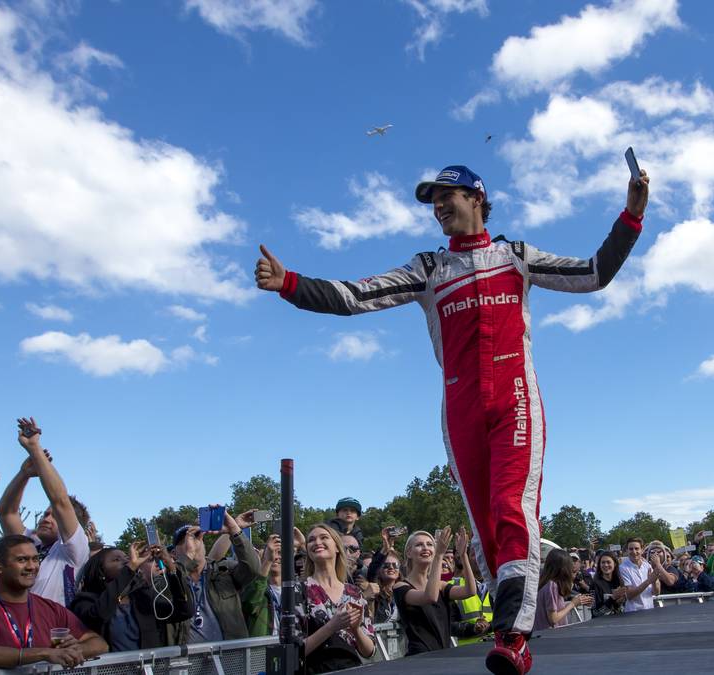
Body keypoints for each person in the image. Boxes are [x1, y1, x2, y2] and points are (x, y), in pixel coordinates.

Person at [256, 164, 649, 675]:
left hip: (514, 399)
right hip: (460, 408)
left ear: (478, 198)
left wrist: (632, 217)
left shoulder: (517, 257)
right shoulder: (428, 268)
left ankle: (513, 634)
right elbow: (355, 296)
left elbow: (595, 272)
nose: (439, 206)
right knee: (485, 525)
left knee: (513, 506)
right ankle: (510, 630)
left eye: (448, 196)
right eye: (433, 200)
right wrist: (289, 282)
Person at [0, 534, 107, 668]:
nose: (32, 566)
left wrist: (76, 649)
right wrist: (44, 653)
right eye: (22, 560)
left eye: (35, 559)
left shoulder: (51, 608)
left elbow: (99, 643)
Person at [0, 418, 90, 606]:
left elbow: (60, 501)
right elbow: (6, 512)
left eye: (54, 515)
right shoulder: (30, 542)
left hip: (50, 631)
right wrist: (24, 474)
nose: (46, 517)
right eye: (46, 513)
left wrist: (34, 448)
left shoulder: (74, 550)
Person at [69, 542, 192, 650]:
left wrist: (170, 567)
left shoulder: (142, 597)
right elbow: (98, 615)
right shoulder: (85, 601)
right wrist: (129, 568)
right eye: (116, 559)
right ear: (100, 571)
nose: (127, 561)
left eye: (127, 558)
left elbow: (184, 611)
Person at [169, 506, 261, 644]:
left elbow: (253, 569)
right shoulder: (173, 580)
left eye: (196, 537)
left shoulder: (224, 571)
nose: (191, 543)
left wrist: (234, 529)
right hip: (190, 662)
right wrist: (188, 556)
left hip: (229, 659)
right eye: (184, 541)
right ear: (174, 554)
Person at [299, 525, 375, 674]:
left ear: (337, 547)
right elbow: (292, 651)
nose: (317, 542)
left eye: (324, 537)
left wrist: (356, 629)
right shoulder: (297, 591)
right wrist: (332, 626)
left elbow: (369, 651)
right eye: (311, 540)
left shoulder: (354, 593)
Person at [392, 528, 476, 657]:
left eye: (430, 544)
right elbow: (430, 597)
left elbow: (470, 591)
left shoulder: (441, 586)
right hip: (420, 657)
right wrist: (438, 555)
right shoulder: (401, 586)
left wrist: (463, 555)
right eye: (419, 545)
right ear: (409, 552)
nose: (425, 548)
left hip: (443, 654)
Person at [533, 549, 592, 631]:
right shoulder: (552, 585)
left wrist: (577, 601)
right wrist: (573, 603)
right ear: (563, 567)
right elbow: (553, 619)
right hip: (551, 635)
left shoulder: (544, 582)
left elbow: (553, 609)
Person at [618, 538, 667, 612]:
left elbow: (656, 593)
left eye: (637, 548)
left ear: (642, 550)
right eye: (631, 549)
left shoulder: (647, 565)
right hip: (633, 612)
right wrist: (649, 581)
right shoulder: (622, 568)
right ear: (627, 550)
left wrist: (654, 582)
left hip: (650, 610)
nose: (634, 552)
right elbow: (629, 595)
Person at [589, 552, 627, 617]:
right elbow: (595, 613)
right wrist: (613, 598)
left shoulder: (620, 581)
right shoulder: (595, 584)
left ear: (614, 564)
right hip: (602, 624)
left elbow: (622, 608)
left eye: (608, 562)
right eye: (603, 562)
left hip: (620, 622)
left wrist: (619, 602)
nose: (606, 565)